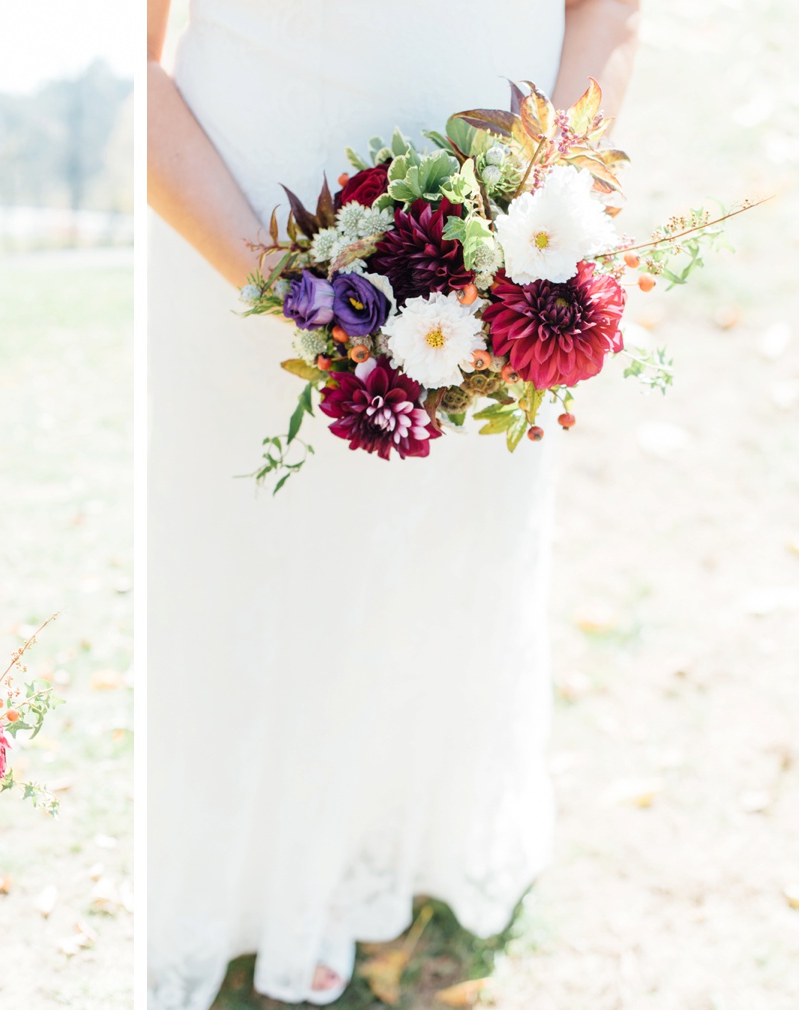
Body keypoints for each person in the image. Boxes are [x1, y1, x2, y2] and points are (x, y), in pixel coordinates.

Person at [144, 1, 640, 1005]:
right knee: (256, 557)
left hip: (485, 270)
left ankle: (397, 839)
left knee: (441, 555)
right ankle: (248, 881)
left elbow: (607, 12)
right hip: (242, 245)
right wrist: (280, 283)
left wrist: (532, 210)